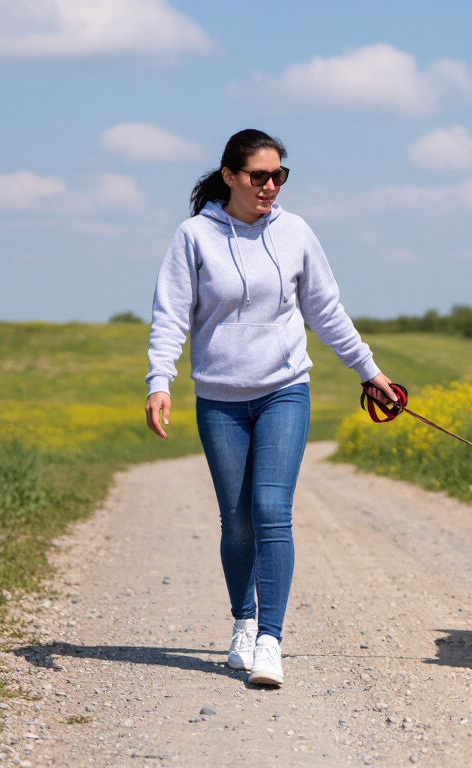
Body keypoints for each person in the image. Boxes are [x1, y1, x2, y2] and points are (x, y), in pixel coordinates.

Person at [144, 129, 397, 687]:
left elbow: (326, 310)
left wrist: (369, 370)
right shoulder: (195, 237)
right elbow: (170, 314)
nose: (270, 186)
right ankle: (243, 621)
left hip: (285, 390)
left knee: (270, 510)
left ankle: (270, 640)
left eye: (279, 175)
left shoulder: (296, 232)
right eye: (259, 176)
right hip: (219, 399)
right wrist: (158, 380)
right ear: (230, 175)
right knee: (236, 523)